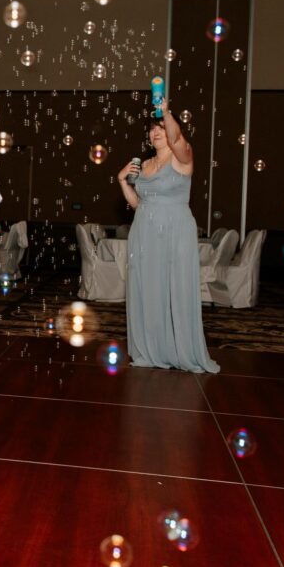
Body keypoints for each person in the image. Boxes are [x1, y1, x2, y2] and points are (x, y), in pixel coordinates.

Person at [117, 99, 219, 373]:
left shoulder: (182, 156)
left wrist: (165, 113)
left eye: (161, 127)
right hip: (144, 233)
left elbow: (176, 138)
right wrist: (121, 181)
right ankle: (150, 349)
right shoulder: (144, 164)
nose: (156, 132)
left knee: (177, 289)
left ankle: (181, 350)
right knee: (147, 290)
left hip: (176, 231)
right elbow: (139, 203)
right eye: (152, 128)